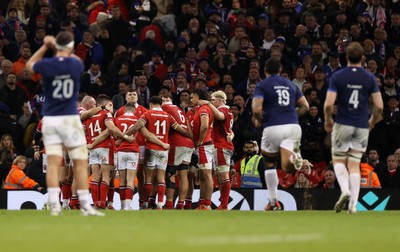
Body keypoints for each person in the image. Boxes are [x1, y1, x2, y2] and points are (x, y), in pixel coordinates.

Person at [26, 31, 104, 216]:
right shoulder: (75, 63)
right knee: (80, 162)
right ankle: (85, 205)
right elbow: (75, 58)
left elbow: (29, 67)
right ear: (69, 47)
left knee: (53, 163)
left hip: (52, 118)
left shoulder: (48, 64)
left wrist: (46, 46)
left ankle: (54, 204)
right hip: (70, 118)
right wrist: (63, 48)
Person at [324, 42, 383, 214]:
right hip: (361, 125)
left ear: (347, 57)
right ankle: (354, 205)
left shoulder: (338, 76)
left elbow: (328, 104)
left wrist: (328, 119)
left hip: (343, 123)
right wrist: (371, 123)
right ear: (363, 58)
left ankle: (344, 190)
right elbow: (379, 106)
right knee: (355, 164)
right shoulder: (369, 77)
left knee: (338, 160)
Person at [252, 58, 309, 211]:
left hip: (273, 128)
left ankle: (273, 202)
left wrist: (260, 120)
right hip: (293, 127)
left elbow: (257, 109)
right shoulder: (291, 84)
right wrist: (291, 116)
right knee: (287, 168)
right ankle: (294, 157)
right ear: (280, 69)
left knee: (270, 164)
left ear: (265, 71)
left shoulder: (262, 85)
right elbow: (305, 106)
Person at [200, 91, 234, 210]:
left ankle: (224, 205)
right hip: (222, 145)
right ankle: (221, 203)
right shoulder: (228, 111)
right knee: (220, 176)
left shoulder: (224, 110)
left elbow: (220, 116)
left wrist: (208, 104)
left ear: (220, 100)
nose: (212, 102)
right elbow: (228, 129)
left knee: (224, 176)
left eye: (213, 100)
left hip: (222, 146)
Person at [189, 88, 215, 210]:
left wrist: (199, 140)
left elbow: (204, 126)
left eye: (192, 97)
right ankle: (203, 203)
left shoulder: (204, 109)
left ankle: (207, 204)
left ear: (198, 97)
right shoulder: (201, 109)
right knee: (203, 176)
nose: (191, 99)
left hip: (204, 145)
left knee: (206, 174)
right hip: (205, 144)